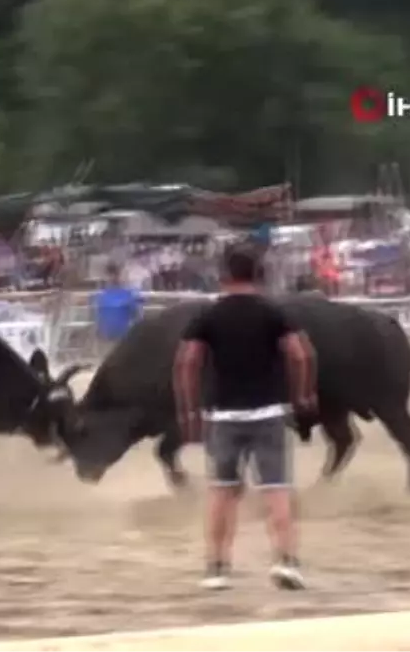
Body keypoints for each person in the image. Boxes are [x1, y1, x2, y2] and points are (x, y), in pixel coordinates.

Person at [174, 244, 316, 592]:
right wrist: (300, 394)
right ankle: (286, 561)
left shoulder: (208, 315)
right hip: (267, 413)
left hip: (223, 416)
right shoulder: (273, 312)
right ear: (258, 274)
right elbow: (300, 354)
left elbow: (187, 362)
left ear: (224, 276)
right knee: (277, 491)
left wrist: (190, 409)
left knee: (222, 493)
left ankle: (216, 567)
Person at [92, 263, 142, 358]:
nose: (112, 278)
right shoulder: (102, 295)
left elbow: (136, 315)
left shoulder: (127, 294)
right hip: (109, 336)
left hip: (120, 337)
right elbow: (96, 316)